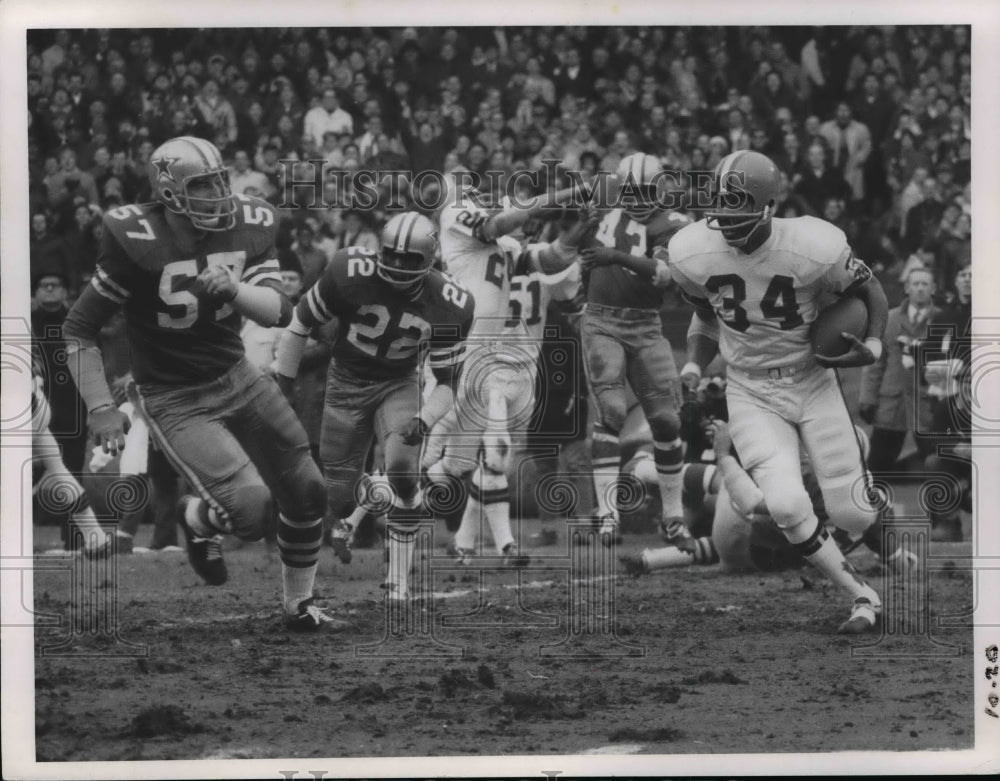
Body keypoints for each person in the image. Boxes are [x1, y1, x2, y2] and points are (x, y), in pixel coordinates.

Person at [62, 136, 338, 632]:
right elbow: (79, 327)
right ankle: (196, 520)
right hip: (173, 395)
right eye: (203, 186)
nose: (218, 195)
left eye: (219, 182)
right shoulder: (134, 235)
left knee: (308, 489)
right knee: (252, 512)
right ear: (169, 193)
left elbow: (280, 311)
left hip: (237, 374)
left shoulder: (250, 223)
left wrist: (234, 288)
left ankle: (299, 605)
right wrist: (100, 404)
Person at [666, 150, 900, 634]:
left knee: (852, 514)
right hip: (751, 388)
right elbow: (707, 313)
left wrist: (873, 345)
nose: (727, 221)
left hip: (812, 380)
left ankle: (872, 500)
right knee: (787, 505)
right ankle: (860, 593)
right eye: (722, 207)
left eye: (740, 209)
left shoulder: (814, 245)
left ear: (771, 207)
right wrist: (693, 362)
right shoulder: (692, 252)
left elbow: (870, 290)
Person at [272, 212, 475, 601]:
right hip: (345, 383)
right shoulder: (349, 269)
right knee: (338, 498)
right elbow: (299, 324)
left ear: (429, 260)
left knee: (401, 468)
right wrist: (283, 386)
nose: (397, 266)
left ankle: (398, 581)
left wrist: (425, 417)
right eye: (391, 256)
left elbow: (449, 382)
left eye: (408, 259)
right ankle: (369, 505)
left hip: (397, 384)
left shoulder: (452, 302)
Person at [424, 174, 591, 567]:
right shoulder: (457, 217)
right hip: (473, 362)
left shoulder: (507, 247)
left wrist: (578, 232)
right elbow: (494, 223)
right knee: (471, 453)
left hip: (513, 370)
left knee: (458, 465)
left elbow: (547, 260)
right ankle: (504, 544)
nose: (479, 194)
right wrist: (564, 196)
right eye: (470, 190)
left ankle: (384, 508)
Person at [576, 152, 693, 549]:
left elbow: (664, 275)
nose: (640, 199)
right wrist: (577, 228)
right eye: (632, 191)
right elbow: (567, 240)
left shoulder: (675, 224)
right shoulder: (602, 210)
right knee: (610, 411)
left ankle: (673, 516)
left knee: (667, 421)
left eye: (647, 191)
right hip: (601, 320)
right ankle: (608, 515)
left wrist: (615, 256)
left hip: (646, 324)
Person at [859, 267, 939, 474]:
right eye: (915, 284)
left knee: (938, 464)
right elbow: (875, 362)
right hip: (892, 404)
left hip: (927, 405)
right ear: (907, 288)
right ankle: (875, 504)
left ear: (933, 289)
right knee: (877, 467)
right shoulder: (890, 319)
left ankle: (939, 506)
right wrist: (867, 398)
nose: (920, 289)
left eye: (925, 284)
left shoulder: (942, 319)